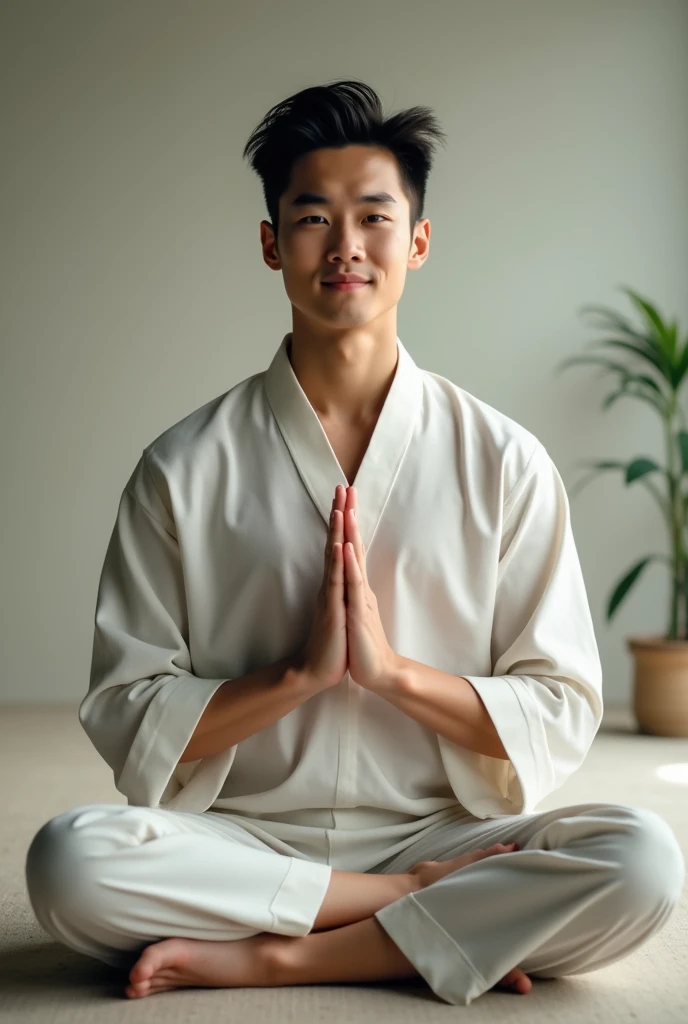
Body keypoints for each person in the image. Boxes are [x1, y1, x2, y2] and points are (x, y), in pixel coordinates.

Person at [25, 78, 684, 1006]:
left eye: (374, 216)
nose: (345, 246)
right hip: (245, 837)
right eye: (312, 217)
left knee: (645, 861)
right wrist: (294, 680)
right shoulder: (181, 467)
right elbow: (129, 708)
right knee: (69, 862)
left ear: (417, 241)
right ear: (270, 243)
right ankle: (405, 913)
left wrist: (391, 675)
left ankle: (288, 950)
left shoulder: (505, 461)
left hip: (443, 834)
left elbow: (561, 702)